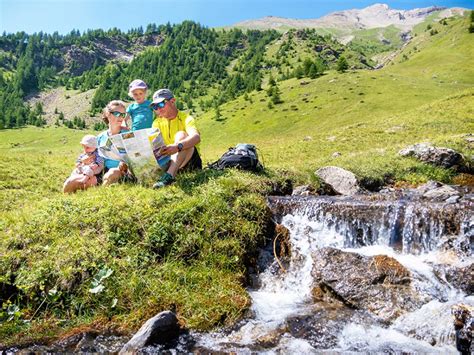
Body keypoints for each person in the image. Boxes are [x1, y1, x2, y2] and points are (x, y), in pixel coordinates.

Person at [150, 88, 202, 188]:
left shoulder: (186, 118)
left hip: (190, 162)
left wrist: (177, 146)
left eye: (161, 104)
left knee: (181, 135)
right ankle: (168, 175)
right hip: (168, 162)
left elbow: (196, 137)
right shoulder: (157, 123)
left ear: (172, 101)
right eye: (155, 107)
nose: (158, 109)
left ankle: (169, 176)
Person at [97, 100, 134, 186]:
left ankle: (101, 193)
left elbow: (135, 155)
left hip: (123, 172)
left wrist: (126, 163)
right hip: (102, 170)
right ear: (108, 114)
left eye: (123, 115)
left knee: (112, 172)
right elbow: (97, 156)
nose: (121, 117)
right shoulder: (100, 137)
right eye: (117, 113)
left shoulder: (128, 134)